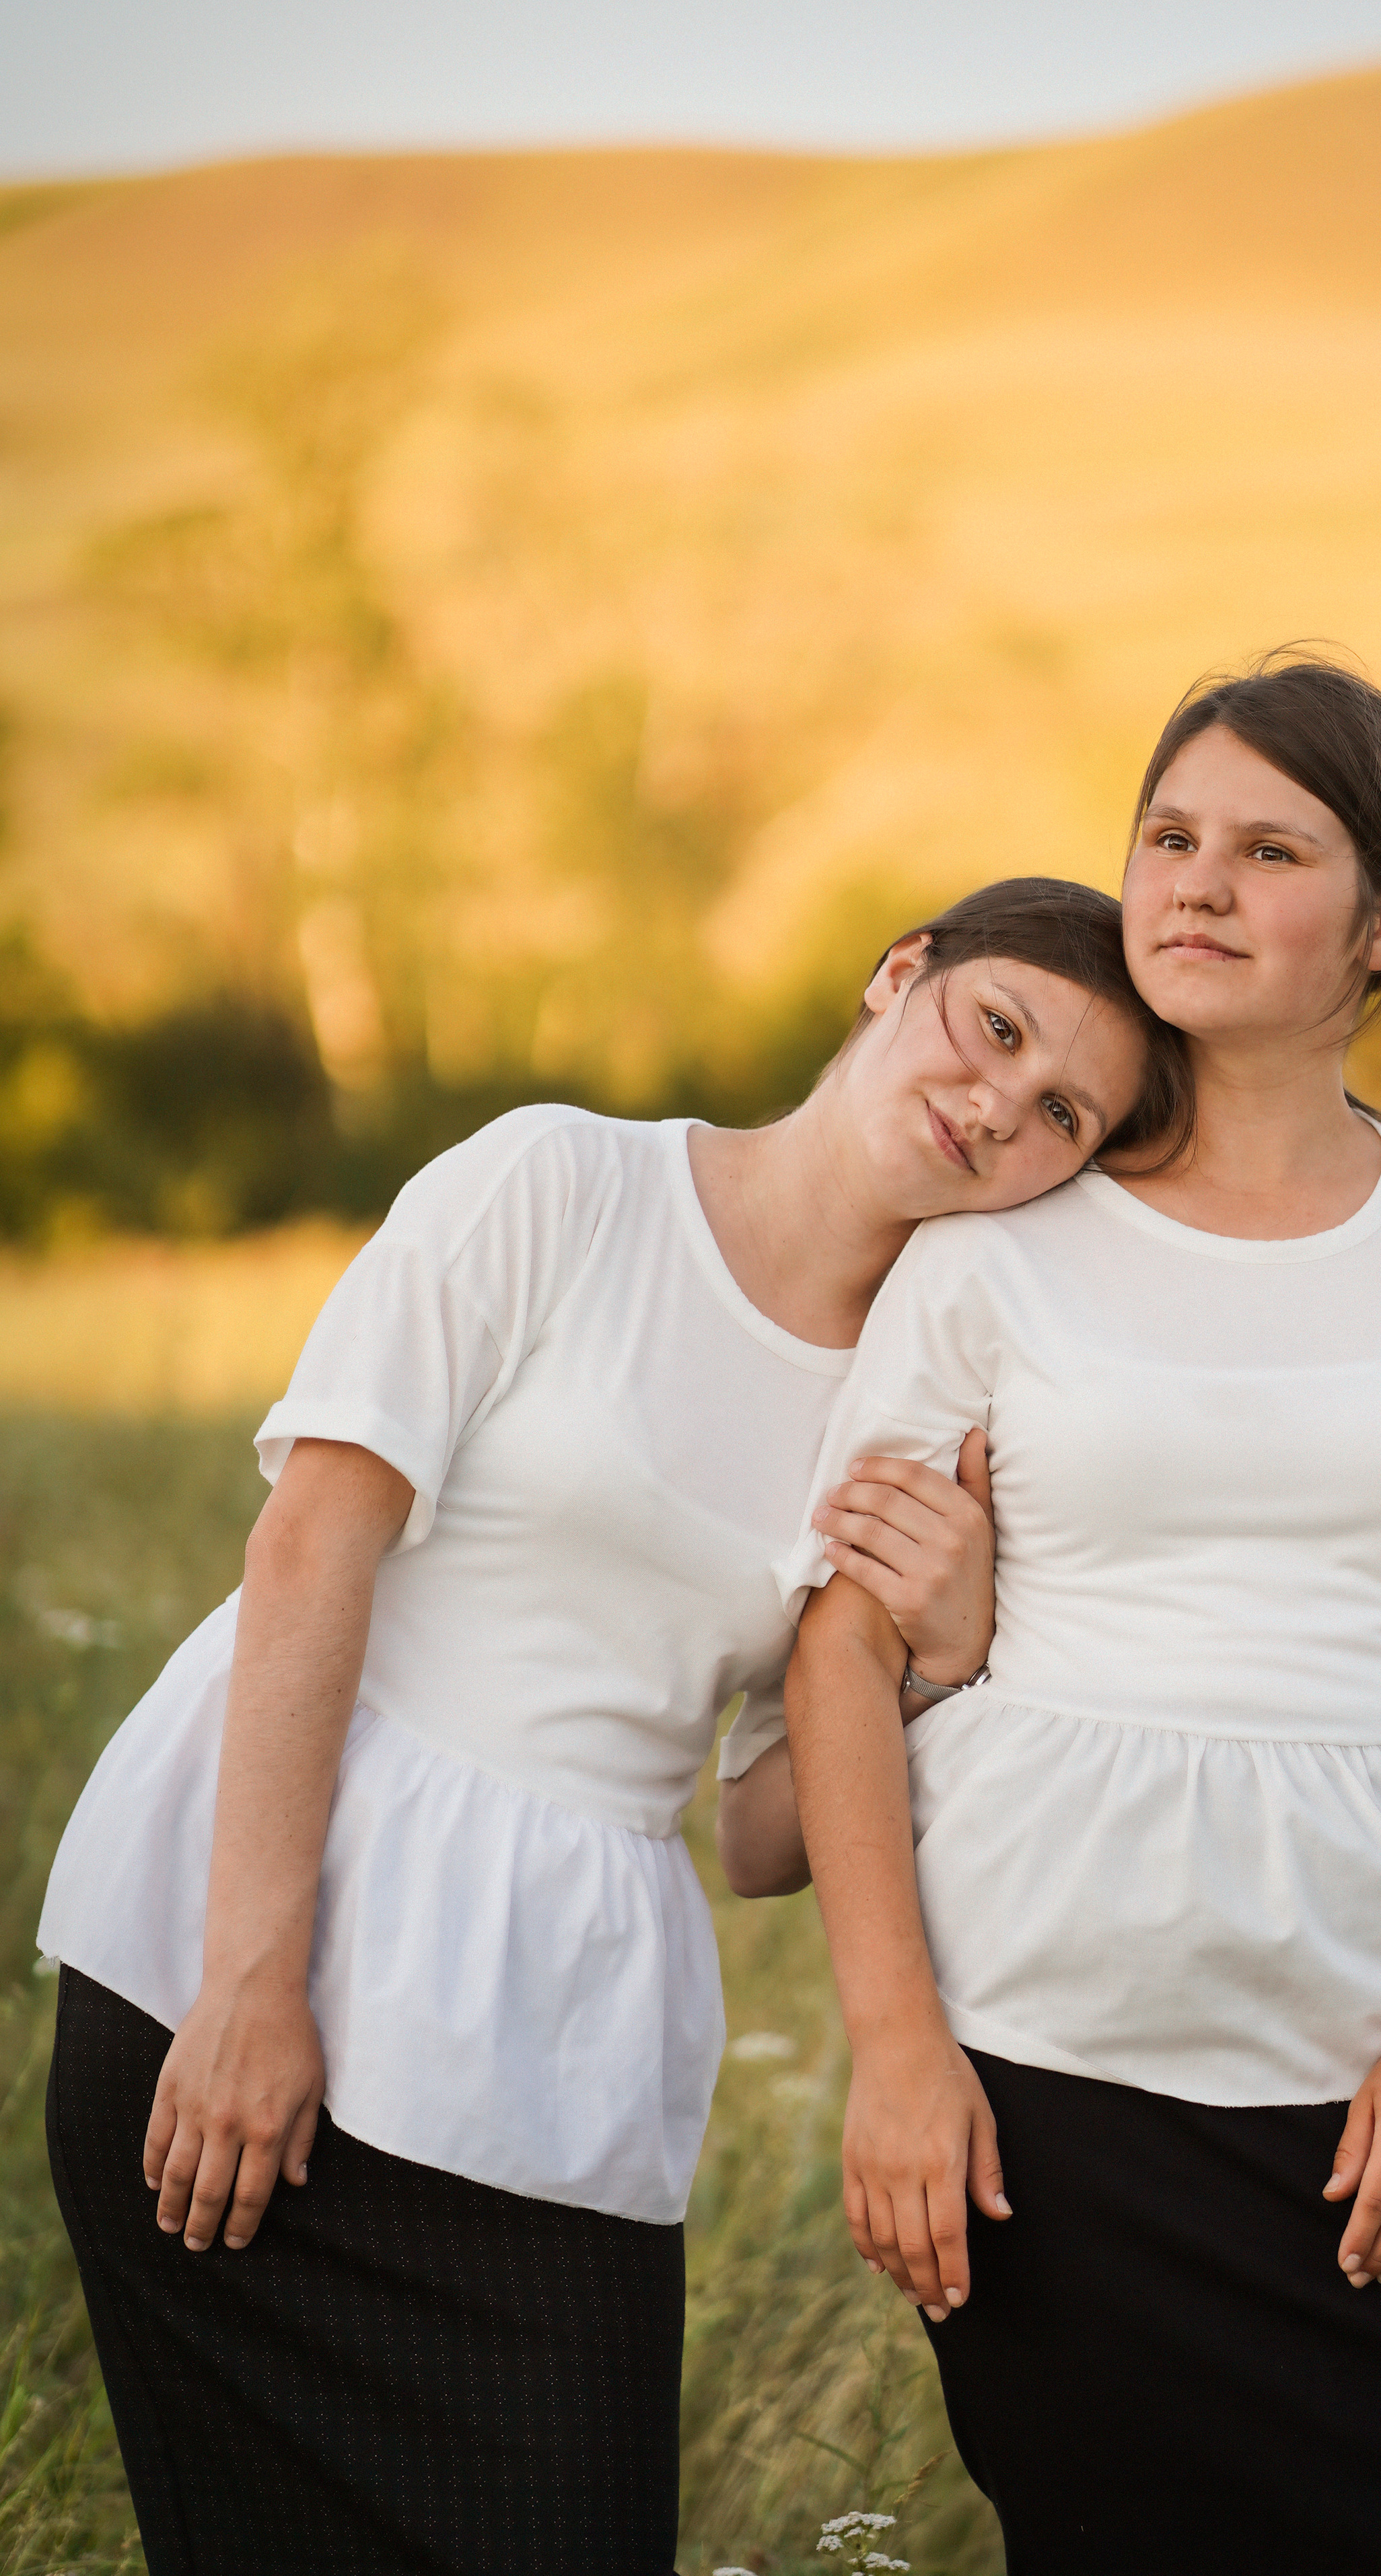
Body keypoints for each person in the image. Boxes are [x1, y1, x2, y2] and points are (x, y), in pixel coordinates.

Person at [38, 876, 1171, 2576]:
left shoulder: (913, 1396)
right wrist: (251, 1985)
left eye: (1059, 1113)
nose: (995, 1106)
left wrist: (949, 1654)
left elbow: (758, 1837)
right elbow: (311, 1541)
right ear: (898, 972)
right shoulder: (559, 1180)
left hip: (547, 2035)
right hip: (247, 1952)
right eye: (993, 1029)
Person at [775, 660, 1381, 2574]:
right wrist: (894, 2046)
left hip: (1371, 2093)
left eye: (1267, 849)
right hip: (1039, 2091)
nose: (1194, 884)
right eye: (1168, 837)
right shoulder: (995, 1252)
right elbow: (842, 1653)